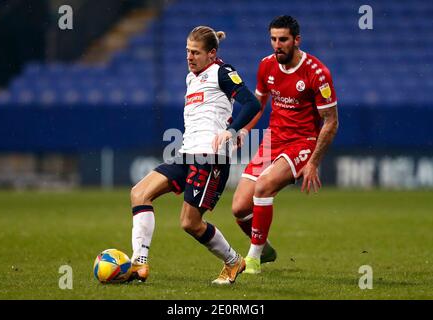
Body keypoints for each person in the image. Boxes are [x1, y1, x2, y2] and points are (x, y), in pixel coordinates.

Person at [129, 26, 261, 284]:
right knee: (139, 193)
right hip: (186, 152)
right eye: (187, 51)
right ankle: (139, 263)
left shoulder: (222, 72)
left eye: (196, 53)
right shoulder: (192, 78)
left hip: (210, 158)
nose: (189, 57)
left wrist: (232, 130)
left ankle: (234, 262)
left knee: (190, 223)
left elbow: (252, 103)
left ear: (212, 54)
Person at [231, 15, 339, 274]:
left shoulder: (316, 73)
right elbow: (258, 104)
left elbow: (331, 121)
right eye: (273, 39)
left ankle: (253, 260)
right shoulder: (266, 66)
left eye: (283, 40)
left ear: (296, 40)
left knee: (264, 186)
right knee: (239, 208)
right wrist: (244, 130)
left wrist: (313, 162)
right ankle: (265, 249)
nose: (277, 45)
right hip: (273, 140)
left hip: (302, 142)